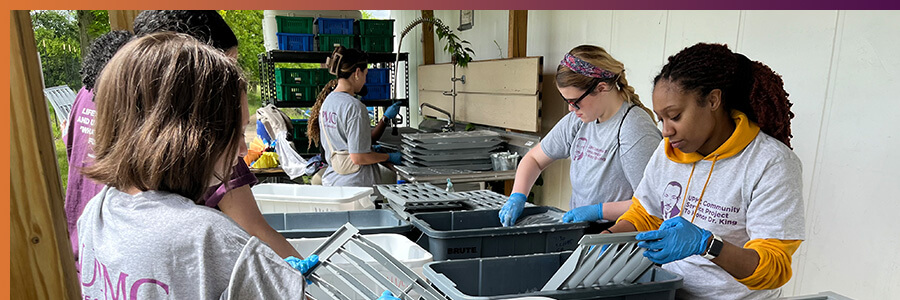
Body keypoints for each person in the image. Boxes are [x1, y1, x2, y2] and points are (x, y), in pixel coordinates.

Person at [77, 32, 316, 299]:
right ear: (193, 138)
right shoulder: (209, 238)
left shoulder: (97, 212)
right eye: (235, 133)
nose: (243, 150)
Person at [607, 43, 805, 299]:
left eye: (675, 116)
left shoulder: (770, 163)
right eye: (661, 119)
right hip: (670, 291)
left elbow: (773, 268)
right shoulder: (668, 151)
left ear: (713, 100)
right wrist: (608, 238)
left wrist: (708, 245)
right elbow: (646, 214)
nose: (666, 131)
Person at [499, 45, 661, 227]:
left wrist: (598, 211)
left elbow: (653, 202)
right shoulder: (579, 120)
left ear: (601, 88)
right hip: (581, 230)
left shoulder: (633, 128)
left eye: (575, 102)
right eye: (566, 101)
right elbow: (534, 159)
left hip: (617, 234)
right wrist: (518, 196)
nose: (570, 109)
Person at [62, 30, 133, 267]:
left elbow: (72, 146)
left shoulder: (84, 94)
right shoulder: (128, 99)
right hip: (112, 251)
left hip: (80, 242)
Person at [307, 46, 403, 187]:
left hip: (334, 180)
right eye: (365, 74)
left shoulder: (328, 102)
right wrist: (388, 157)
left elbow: (349, 142)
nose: (365, 80)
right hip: (355, 186)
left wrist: (384, 120)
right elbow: (358, 157)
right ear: (357, 73)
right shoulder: (355, 107)